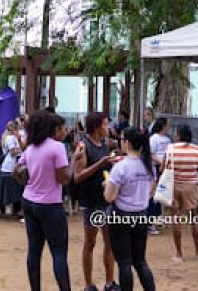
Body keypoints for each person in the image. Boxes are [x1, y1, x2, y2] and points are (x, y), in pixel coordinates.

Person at [18, 109, 71, 291]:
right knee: (58, 253)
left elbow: (16, 171)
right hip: (50, 204)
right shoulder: (57, 148)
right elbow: (64, 179)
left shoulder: (31, 148)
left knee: (34, 250)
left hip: (29, 200)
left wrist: (29, 181)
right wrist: (75, 162)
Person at [104, 126, 156, 291]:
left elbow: (109, 197)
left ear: (126, 143)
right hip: (141, 215)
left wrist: (106, 185)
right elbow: (151, 192)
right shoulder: (148, 166)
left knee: (124, 263)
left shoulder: (120, 167)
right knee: (140, 261)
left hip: (121, 216)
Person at [73, 112, 120, 291]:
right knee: (90, 242)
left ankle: (109, 282)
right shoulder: (83, 146)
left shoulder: (105, 145)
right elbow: (77, 176)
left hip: (106, 199)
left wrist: (113, 164)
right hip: (91, 201)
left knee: (110, 242)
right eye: (106, 124)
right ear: (96, 127)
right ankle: (89, 284)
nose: (108, 128)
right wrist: (100, 164)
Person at [161, 124, 198, 261]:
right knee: (194, 218)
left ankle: (179, 253)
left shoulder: (170, 149)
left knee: (176, 218)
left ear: (178, 135)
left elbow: (163, 168)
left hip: (174, 185)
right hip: (191, 185)